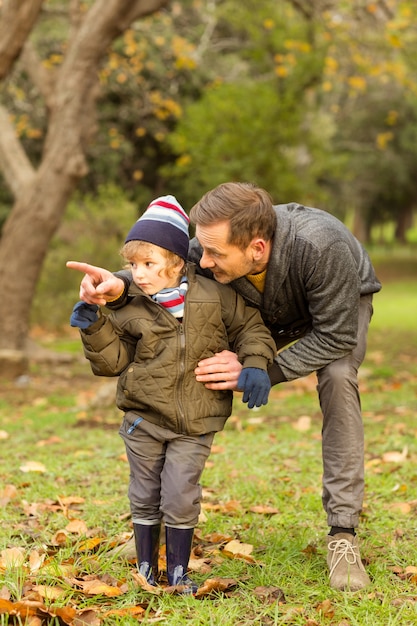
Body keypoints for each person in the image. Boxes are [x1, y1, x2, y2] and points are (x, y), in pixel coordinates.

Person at [73, 182, 381, 592]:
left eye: (214, 253)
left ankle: (343, 534)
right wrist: (118, 284)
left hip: (333, 308)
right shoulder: (211, 248)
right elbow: (167, 265)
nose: (204, 258)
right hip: (254, 308)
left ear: (257, 247)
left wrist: (262, 370)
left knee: (339, 377)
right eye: (202, 248)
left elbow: (336, 336)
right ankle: (158, 530)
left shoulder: (322, 248)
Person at [67, 194, 276, 594]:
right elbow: (112, 363)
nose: (139, 274)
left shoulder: (215, 295)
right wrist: (92, 325)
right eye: (133, 264)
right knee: (144, 494)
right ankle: (146, 566)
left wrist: (255, 364)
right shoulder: (129, 307)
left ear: (178, 261)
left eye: (148, 263)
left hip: (196, 422)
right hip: (143, 419)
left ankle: (178, 570)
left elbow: (252, 329)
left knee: (180, 495)